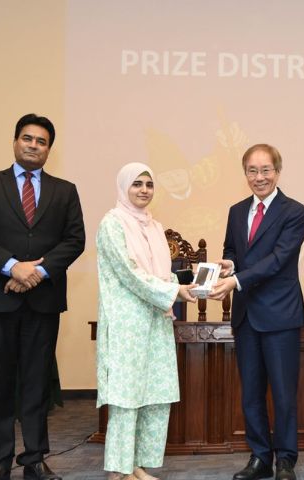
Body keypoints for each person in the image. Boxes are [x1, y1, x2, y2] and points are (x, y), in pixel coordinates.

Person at [0, 114, 85, 480]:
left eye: (41, 141)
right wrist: (12, 266)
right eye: (27, 138)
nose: (34, 145)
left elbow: (74, 240)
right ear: (15, 141)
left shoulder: (65, 190)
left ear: (49, 149)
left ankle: (34, 459)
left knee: (36, 383)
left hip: (43, 301)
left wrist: (36, 273)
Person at [207, 144, 304, 480]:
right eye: (252, 170)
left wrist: (236, 280)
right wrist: (229, 264)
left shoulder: (295, 212)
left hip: (280, 315)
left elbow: (279, 259)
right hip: (247, 315)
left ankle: (286, 460)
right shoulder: (236, 211)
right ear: (245, 174)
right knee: (251, 393)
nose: (259, 177)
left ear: (277, 171)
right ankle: (260, 458)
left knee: (283, 393)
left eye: (266, 170)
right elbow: (233, 249)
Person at [96, 162, 197, 480]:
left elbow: (157, 274)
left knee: (153, 395)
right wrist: (173, 291)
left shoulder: (154, 226)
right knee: (126, 398)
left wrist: (189, 283)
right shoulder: (112, 224)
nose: (143, 190)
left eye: (149, 184)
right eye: (136, 184)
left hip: (155, 319)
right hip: (127, 324)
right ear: (123, 187)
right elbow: (130, 273)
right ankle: (119, 470)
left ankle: (136, 465)